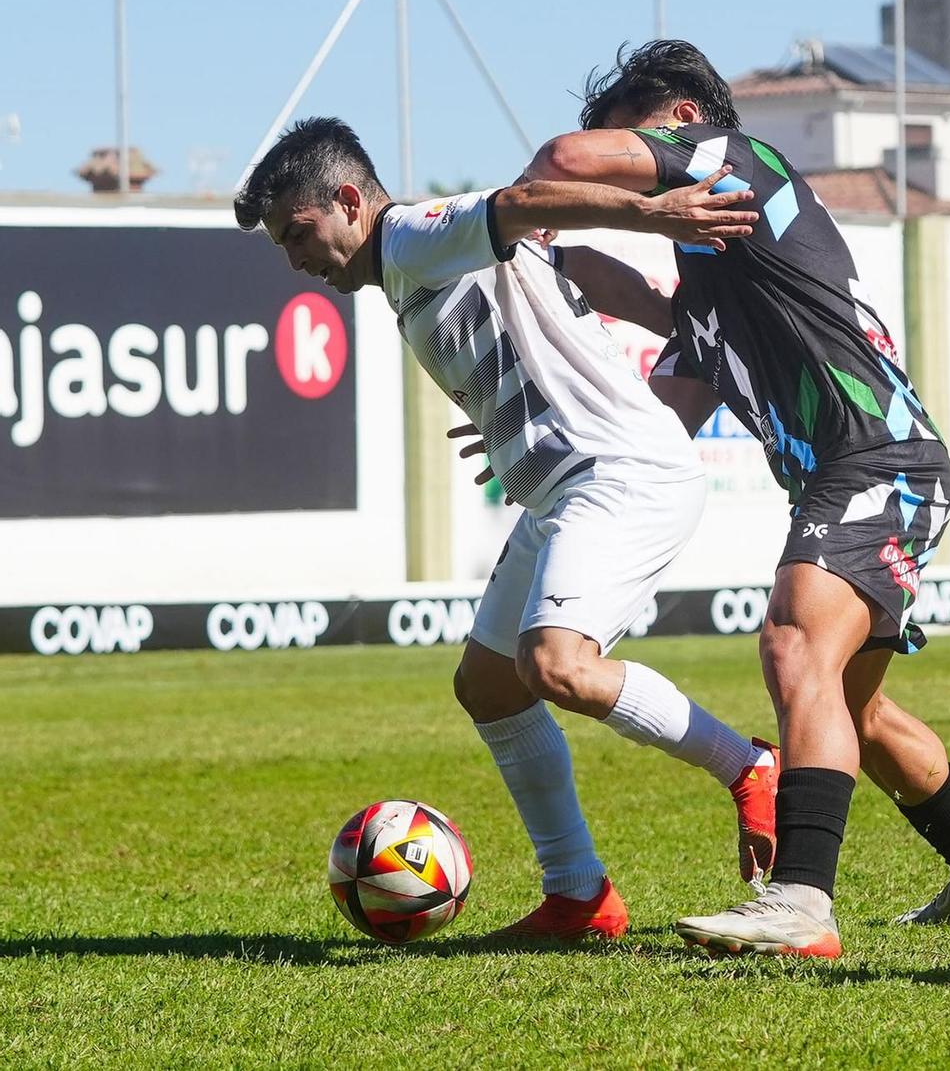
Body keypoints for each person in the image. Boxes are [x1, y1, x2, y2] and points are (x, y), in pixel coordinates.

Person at [518, 39, 950, 959]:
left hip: (878, 459)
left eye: (631, 160)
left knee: (794, 639)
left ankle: (801, 900)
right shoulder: (716, 284)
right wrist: (532, 418)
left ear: (679, 123)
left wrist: (522, 207)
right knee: (856, 709)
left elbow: (563, 163)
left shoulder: (741, 161)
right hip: (875, 467)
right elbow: (650, 428)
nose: (625, 195)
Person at [235, 115, 780, 942]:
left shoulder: (411, 234)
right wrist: (507, 420)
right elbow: (544, 275)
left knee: (556, 664)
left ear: (349, 200)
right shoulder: (415, 265)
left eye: (298, 232)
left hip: (622, 475)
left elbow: (523, 201)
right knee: (488, 686)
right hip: (570, 484)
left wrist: (659, 216)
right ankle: (579, 897)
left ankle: (748, 766)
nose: (295, 260)